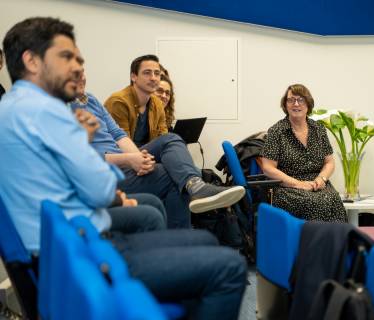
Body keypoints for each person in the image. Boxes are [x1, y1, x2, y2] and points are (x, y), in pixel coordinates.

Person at [0, 17, 246, 320]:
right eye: (66, 57)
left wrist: (102, 158)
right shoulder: (45, 112)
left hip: (75, 241)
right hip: (84, 252)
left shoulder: (17, 108)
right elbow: (100, 189)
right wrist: (88, 145)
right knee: (229, 266)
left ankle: (192, 192)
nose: (77, 67)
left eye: (78, 59)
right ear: (32, 61)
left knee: (203, 238)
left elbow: (88, 174)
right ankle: (192, 190)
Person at [71, 69, 245, 227]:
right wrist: (131, 159)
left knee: (172, 139)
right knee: (174, 175)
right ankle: (181, 241)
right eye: (148, 74)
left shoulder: (90, 99)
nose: (154, 79)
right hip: (104, 172)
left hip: (124, 161)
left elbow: (118, 134)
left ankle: (195, 186)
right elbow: (80, 159)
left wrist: (139, 158)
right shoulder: (61, 110)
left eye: (82, 71)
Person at [260, 84, 347, 222]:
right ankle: (311, 242)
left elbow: (329, 162)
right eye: (291, 100)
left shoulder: (319, 129)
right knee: (313, 203)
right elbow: (268, 168)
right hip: (288, 186)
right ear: (285, 105)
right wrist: (298, 184)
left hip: (317, 183)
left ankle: (336, 242)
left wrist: (322, 179)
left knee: (333, 199)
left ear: (308, 104)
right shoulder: (276, 131)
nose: (296, 104)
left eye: (300, 100)